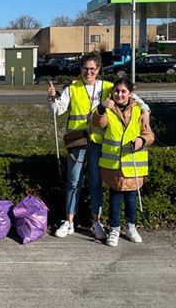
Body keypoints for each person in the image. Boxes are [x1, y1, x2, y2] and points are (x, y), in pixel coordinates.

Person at [47, 52, 151, 239]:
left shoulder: (109, 87)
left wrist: (145, 110)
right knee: (73, 182)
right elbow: (59, 110)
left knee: (96, 183)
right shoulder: (73, 88)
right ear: (80, 69)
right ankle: (69, 222)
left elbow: (134, 98)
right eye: (85, 68)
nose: (89, 72)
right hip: (77, 141)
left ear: (98, 70)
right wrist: (53, 98)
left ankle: (96, 222)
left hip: (98, 144)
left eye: (92, 69)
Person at [91, 77, 154, 247]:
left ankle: (131, 227)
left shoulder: (138, 111)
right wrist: (102, 108)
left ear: (130, 94)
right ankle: (115, 229)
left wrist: (142, 140)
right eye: (117, 91)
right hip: (114, 166)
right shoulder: (109, 111)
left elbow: (149, 134)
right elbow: (98, 123)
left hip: (133, 166)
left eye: (123, 91)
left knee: (132, 198)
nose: (120, 94)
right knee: (115, 198)